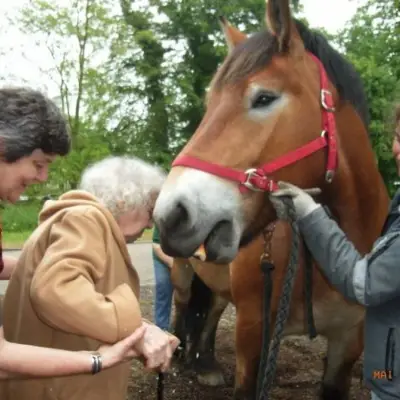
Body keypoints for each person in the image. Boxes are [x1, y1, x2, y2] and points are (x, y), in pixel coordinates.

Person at [0, 86, 177, 384]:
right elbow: (55, 292)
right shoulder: (87, 218)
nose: (43, 177)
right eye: (39, 164)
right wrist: (131, 334)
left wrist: (32, 267)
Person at [270, 105, 400, 400]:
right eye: (398, 138)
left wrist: (308, 213)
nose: (399, 151)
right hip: (387, 374)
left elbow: (364, 283)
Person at [152, 224, 174, 331]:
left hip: (182, 258)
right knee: (164, 286)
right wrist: (173, 265)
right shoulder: (164, 218)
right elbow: (156, 246)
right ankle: (161, 328)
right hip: (162, 256)